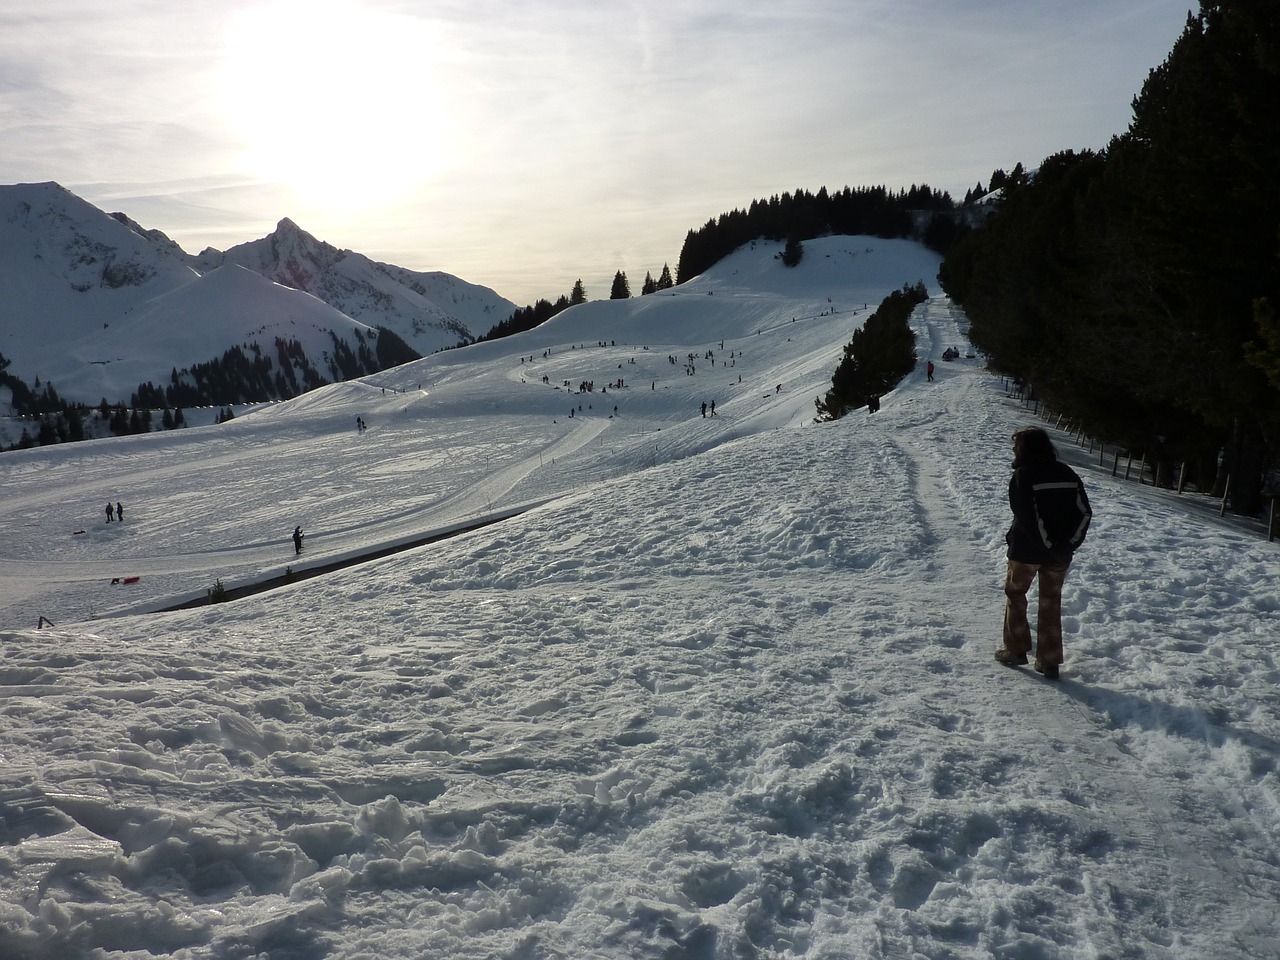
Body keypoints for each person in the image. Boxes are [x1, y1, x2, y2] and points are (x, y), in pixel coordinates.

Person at [995, 427, 1092, 679]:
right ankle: (1049, 662)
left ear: (1024, 449)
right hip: (1059, 555)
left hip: (1026, 552)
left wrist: (1047, 543)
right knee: (1051, 602)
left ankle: (1016, 650)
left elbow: (1027, 516)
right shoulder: (1067, 473)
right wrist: (1068, 543)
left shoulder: (1023, 475)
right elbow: (1084, 513)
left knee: (1015, 594)